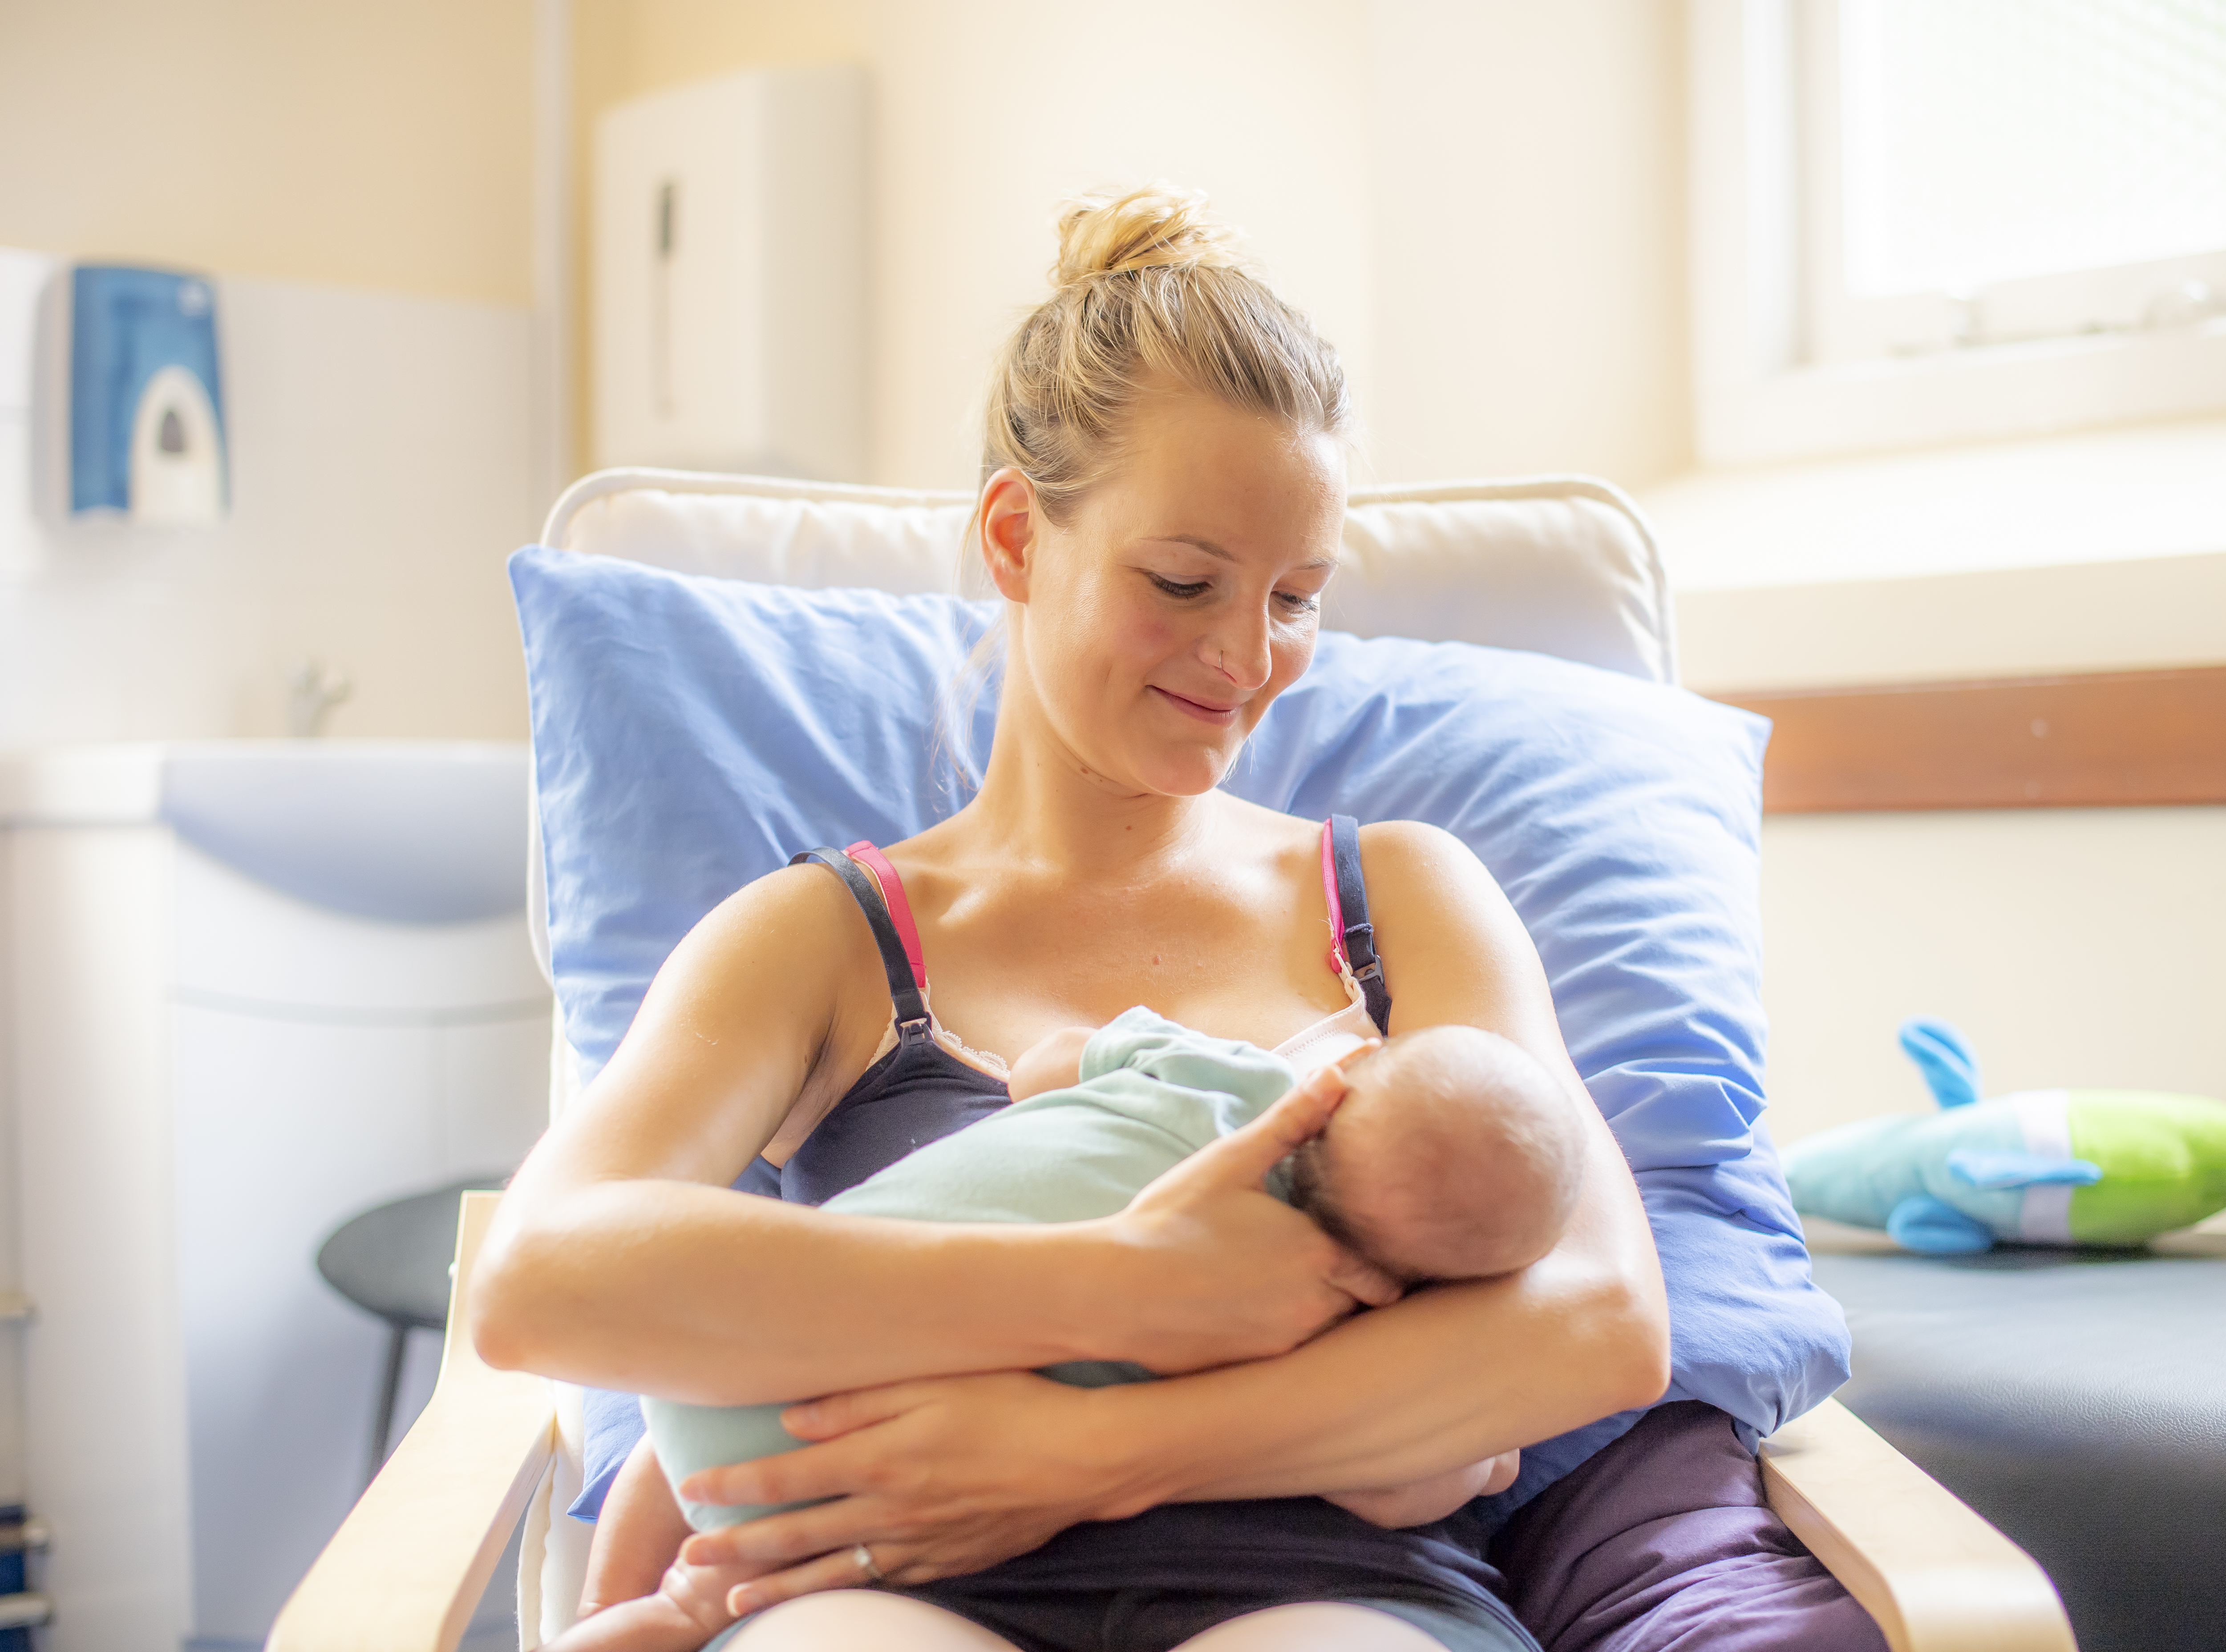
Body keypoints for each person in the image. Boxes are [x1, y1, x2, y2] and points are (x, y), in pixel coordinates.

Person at [473, 182, 1885, 1652]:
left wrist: (1080, 1455)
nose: (1243, 655)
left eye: (1293, 595)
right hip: (889, 1591)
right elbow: (541, 1280)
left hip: (1325, 1593)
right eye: (1182, 580)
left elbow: (1596, 1321)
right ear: (1017, 540)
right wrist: (1125, 1287)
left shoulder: (1398, 899)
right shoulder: (825, 939)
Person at [553, 1009, 1590, 1652]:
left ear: (1351, 1060)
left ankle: (671, 1605)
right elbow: (1388, 1478)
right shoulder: (1334, 1300)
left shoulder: (1217, 1070)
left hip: (769, 1431)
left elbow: (1042, 1065)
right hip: (882, 1503)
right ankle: (685, 1603)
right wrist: (1483, 1458)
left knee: (687, 1445)